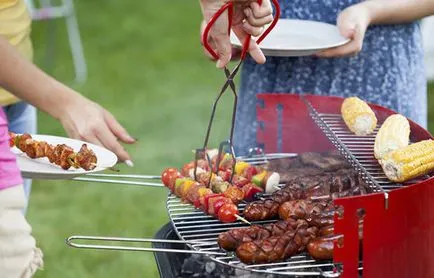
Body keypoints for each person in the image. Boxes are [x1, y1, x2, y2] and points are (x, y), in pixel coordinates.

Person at [199, 0, 434, 155]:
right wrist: (225, 16)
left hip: (376, 68)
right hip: (269, 66)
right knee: (261, 204)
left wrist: (368, 11)